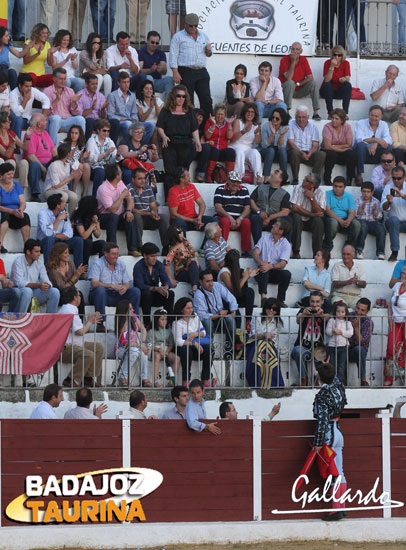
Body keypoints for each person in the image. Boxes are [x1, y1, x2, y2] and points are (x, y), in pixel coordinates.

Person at [313, 363, 348, 522]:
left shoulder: (322, 395)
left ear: (319, 378)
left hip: (329, 435)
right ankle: (342, 507)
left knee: (334, 473)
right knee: (339, 471)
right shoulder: (339, 388)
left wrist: (318, 442)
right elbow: (336, 381)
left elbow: (321, 420)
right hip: (338, 431)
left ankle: (336, 510)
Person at [156, 85, 200, 196]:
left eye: (183, 96)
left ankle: (183, 198)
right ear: (173, 96)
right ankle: (170, 199)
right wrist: (164, 136)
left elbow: (194, 128)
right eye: (178, 96)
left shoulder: (189, 111)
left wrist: (198, 141)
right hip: (169, 143)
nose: (181, 99)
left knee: (183, 172)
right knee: (170, 172)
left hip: (186, 144)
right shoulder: (166, 111)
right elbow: (159, 126)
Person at [88, 242, 141, 332]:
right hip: (100, 295)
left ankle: (134, 322)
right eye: (113, 254)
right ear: (106, 254)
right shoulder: (97, 264)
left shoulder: (121, 263)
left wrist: (124, 288)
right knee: (100, 290)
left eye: (117, 254)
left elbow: (127, 283)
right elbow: (94, 283)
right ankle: (100, 324)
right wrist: (111, 285)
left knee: (135, 291)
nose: (116, 256)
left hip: (116, 294)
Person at [169, 12, 213, 118]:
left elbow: (209, 54)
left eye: (195, 25)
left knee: (206, 99)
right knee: (188, 101)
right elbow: (173, 55)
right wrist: (175, 72)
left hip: (201, 70)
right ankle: (190, 128)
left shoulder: (204, 36)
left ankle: (207, 127)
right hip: (186, 71)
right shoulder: (178, 37)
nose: (193, 27)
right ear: (185, 24)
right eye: (191, 25)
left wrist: (209, 51)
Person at [59, 286, 103, 388]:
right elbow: (80, 332)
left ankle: (88, 378)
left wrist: (89, 322)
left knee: (98, 347)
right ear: (75, 297)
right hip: (66, 348)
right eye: (79, 295)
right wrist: (90, 322)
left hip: (75, 344)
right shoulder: (70, 310)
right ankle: (70, 379)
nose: (80, 298)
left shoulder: (68, 308)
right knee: (88, 354)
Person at [194, 269, 238, 362]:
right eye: (207, 281)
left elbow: (232, 299)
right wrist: (219, 314)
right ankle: (210, 351)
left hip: (220, 317)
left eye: (211, 280)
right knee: (207, 322)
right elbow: (202, 316)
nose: (211, 283)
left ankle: (229, 352)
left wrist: (233, 312)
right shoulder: (198, 294)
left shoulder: (217, 286)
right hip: (209, 319)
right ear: (201, 282)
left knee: (230, 319)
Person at [96, 164, 140, 257]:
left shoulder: (120, 183)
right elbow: (112, 209)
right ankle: (112, 249)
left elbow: (129, 198)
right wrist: (121, 196)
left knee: (130, 217)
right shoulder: (103, 188)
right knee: (113, 217)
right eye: (120, 172)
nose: (122, 173)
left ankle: (132, 249)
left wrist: (128, 211)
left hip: (117, 215)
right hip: (103, 217)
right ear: (117, 176)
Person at [291, 290, 331, 386]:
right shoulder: (304, 310)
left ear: (322, 302)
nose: (314, 304)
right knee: (297, 350)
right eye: (312, 301)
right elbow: (298, 320)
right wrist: (304, 314)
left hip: (318, 348)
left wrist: (320, 315)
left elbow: (328, 317)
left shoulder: (324, 311)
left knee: (330, 350)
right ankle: (303, 379)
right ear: (309, 301)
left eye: (317, 302)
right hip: (303, 347)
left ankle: (318, 380)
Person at [10, 238, 60, 313]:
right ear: (28, 252)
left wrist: (47, 285)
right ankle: (21, 319)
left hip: (34, 292)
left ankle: (51, 320)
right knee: (27, 291)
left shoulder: (39, 262)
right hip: (19, 292)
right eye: (36, 251)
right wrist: (38, 285)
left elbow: (46, 279)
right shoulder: (18, 262)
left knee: (55, 291)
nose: (39, 254)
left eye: (39, 251)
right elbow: (19, 283)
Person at [133, 242, 174, 329]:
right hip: (143, 298)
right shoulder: (138, 266)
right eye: (152, 256)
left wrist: (165, 287)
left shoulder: (158, 265)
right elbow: (140, 285)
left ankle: (168, 323)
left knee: (170, 294)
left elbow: (166, 280)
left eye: (155, 256)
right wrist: (156, 288)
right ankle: (147, 323)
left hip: (155, 296)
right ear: (145, 256)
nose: (154, 258)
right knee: (146, 293)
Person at [246, 297, 284, 388]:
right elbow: (252, 334)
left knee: (270, 353)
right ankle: (258, 381)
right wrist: (264, 335)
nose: (271, 310)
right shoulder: (257, 317)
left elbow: (273, 339)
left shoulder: (278, 322)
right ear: (264, 308)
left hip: (268, 345)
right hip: (254, 343)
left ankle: (271, 383)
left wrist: (266, 337)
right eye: (268, 308)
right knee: (261, 347)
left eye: (274, 309)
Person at [172, 298, 212, 386]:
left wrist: (195, 334)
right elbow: (178, 341)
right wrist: (194, 343)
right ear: (182, 309)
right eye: (188, 308)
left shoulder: (195, 317)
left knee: (209, 348)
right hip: (183, 348)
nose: (191, 310)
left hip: (196, 345)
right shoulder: (177, 323)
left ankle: (205, 378)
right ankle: (186, 380)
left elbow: (204, 332)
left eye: (192, 307)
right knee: (186, 351)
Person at [252, 218, 292, 307]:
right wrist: (260, 262)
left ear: (281, 231)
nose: (273, 225)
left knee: (287, 274)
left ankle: (280, 301)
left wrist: (270, 266)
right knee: (263, 270)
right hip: (261, 269)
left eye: (276, 225)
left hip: (274, 270)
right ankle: (263, 299)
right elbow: (255, 252)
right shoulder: (264, 237)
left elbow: (283, 263)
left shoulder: (286, 244)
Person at [167, 168, 216, 240]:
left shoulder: (191, 186)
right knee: (179, 223)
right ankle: (185, 248)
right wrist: (192, 220)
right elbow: (174, 215)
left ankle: (204, 247)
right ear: (181, 179)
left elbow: (202, 204)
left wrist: (199, 218)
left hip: (194, 219)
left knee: (214, 221)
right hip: (182, 221)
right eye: (187, 176)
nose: (190, 178)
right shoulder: (173, 191)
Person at [107, 70, 153, 146]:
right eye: (124, 82)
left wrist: (134, 118)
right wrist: (122, 119)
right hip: (121, 123)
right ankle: (130, 146)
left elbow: (134, 113)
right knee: (127, 123)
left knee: (151, 125)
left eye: (128, 82)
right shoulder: (112, 96)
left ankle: (141, 145)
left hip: (131, 121)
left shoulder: (132, 96)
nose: (126, 85)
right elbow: (110, 115)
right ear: (118, 83)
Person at [37, 193, 84, 268]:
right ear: (58, 205)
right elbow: (48, 234)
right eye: (63, 202)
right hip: (45, 242)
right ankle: (49, 269)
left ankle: (79, 270)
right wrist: (58, 219)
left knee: (78, 240)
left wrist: (56, 235)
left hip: (60, 240)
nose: (65, 204)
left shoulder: (64, 213)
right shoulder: (43, 214)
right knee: (50, 239)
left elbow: (70, 233)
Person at [43, 68, 86, 146]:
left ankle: (80, 148)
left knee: (81, 119)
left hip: (67, 120)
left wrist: (74, 103)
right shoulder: (47, 91)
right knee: (56, 118)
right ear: (54, 79)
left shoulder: (70, 91)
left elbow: (76, 112)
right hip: (52, 120)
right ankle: (52, 149)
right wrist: (57, 99)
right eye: (60, 79)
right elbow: (46, 112)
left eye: (64, 79)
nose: (63, 81)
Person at [127, 168, 168, 250]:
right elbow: (132, 209)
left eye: (144, 178)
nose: (143, 181)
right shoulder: (128, 188)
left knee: (164, 217)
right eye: (139, 179)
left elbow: (153, 205)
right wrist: (150, 213)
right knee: (137, 216)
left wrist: (154, 213)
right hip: (137, 218)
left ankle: (166, 247)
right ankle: (139, 246)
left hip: (148, 217)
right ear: (133, 179)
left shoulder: (148, 188)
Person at [278, 41, 320, 120]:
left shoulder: (303, 59)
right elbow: (288, 78)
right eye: (293, 49)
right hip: (286, 90)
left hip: (299, 89)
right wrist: (293, 62)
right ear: (290, 50)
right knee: (290, 82)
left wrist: (299, 84)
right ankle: (287, 112)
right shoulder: (284, 59)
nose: (295, 51)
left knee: (313, 83)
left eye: (297, 49)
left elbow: (310, 77)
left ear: (301, 51)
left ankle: (316, 113)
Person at [214, 171, 251, 257]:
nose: (235, 184)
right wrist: (229, 217)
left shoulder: (244, 190)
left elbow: (247, 208)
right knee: (225, 221)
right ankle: (222, 248)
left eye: (237, 182)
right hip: (224, 218)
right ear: (228, 180)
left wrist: (240, 218)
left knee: (246, 222)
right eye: (233, 181)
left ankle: (246, 251)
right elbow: (218, 207)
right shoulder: (220, 189)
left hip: (239, 220)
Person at [249, 168, 291, 245]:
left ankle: (284, 247)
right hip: (259, 218)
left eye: (276, 173)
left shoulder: (285, 194)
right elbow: (251, 200)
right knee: (255, 218)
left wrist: (270, 217)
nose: (272, 174)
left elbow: (286, 211)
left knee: (287, 220)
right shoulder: (261, 187)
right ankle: (258, 247)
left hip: (274, 222)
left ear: (280, 179)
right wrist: (259, 211)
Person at [218, 249, 257, 330]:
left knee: (249, 291)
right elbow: (233, 291)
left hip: (234, 297)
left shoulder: (234, 270)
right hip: (225, 299)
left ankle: (248, 320)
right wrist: (246, 276)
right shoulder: (224, 273)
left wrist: (246, 275)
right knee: (237, 316)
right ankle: (237, 336)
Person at [287, 105, 326, 185]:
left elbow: (315, 145)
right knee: (294, 152)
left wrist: (310, 152)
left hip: (309, 152)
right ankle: (295, 179)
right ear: (295, 116)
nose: (301, 119)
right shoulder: (290, 125)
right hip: (297, 152)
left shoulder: (313, 127)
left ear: (308, 117)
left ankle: (313, 179)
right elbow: (291, 142)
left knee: (322, 154)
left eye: (303, 117)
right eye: (299, 117)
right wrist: (302, 153)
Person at [353, 105, 392, 186]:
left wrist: (376, 143)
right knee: (361, 145)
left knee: (388, 147)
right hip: (362, 154)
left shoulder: (384, 124)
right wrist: (376, 140)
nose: (374, 118)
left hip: (375, 154)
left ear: (381, 117)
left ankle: (383, 172)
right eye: (372, 115)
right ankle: (359, 174)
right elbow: (359, 139)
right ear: (368, 114)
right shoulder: (361, 123)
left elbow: (389, 140)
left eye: (376, 116)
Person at [115, 300, 150, 387]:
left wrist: (142, 342)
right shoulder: (121, 324)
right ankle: (123, 376)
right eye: (130, 309)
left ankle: (144, 377)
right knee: (134, 351)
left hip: (135, 346)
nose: (133, 310)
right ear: (124, 311)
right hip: (121, 349)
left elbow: (143, 330)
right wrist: (140, 345)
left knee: (143, 352)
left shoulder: (133, 317)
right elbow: (126, 343)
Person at [291, 173, 326, 259]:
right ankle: (296, 251)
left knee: (318, 221)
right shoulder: (298, 188)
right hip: (300, 218)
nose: (303, 180)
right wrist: (312, 214)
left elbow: (320, 212)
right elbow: (295, 208)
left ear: (312, 185)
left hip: (312, 221)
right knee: (296, 217)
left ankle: (317, 253)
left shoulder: (321, 192)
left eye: (306, 180)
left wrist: (311, 198)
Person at [46, 241, 86, 316]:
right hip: (59, 294)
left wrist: (78, 274)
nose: (68, 255)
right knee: (74, 296)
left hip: (70, 290)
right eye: (65, 253)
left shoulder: (70, 263)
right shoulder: (53, 269)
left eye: (68, 252)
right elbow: (62, 288)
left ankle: (81, 321)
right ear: (58, 255)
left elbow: (74, 281)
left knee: (79, 294)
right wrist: (75, 275)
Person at [24, 112, 57, 202]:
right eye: (45, 121)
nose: (46, 122)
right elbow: (30, 156)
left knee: (64, 165)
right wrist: (43, 169)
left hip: (48, 163)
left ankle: (62, 192)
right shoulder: (30, 134)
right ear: (39, 124)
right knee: (34, 165)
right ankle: (35, 195)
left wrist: (59, 161)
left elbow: (53, 150)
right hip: (38, 164)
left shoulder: (45, 133)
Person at [323, 176, 361, 252]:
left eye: (340, 187)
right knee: (333, 223)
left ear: (344, 187)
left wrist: (348, 220)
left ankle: (349, 246)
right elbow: (327, 210)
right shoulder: (327, 194)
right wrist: (340, 221)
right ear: (332, 186)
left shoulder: (349, 196)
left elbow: (352, 212)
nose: (337, 189)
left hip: (345, 219)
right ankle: (327, 246)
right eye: (335, 186)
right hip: (331, 218)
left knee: (356, 224)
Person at [321, 108, 356, 186]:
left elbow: (349, 144)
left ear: (342, 120)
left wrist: (334, 146)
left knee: (351, 154)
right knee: (331, 154)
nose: (333, 120)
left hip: (337, 152)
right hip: (329, 151)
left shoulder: (347, 127)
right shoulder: (327, 126)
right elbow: (327, 145)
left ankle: (349, 178)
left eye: (336, 119)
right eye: (333, 118)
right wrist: (342, 150)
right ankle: (327, 178)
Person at [43, 143, 81, 216]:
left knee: (74, 197)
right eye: (71, 151)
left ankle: (70, 217)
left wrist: (74, 175)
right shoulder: (54, 165)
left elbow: (66, 181)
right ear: (68, 154)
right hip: (50, 190)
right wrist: (70, 177)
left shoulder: (67, 164)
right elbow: (56, 185)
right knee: (64, 196)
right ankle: (60, 216)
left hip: (62, 189)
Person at [0, 162, 30, 253]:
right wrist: (11, 211)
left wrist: (21, 209)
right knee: (5, 216)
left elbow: (22, 202)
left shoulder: (16, 185)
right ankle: (0, 244)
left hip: (16, 213)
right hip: (4, 212)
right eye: (8, 174)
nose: (11, 176)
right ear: (1, 175)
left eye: (12, 173)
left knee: (25, 216)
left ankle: (27, 246)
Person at [229, 102, 263, 183]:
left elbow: (257, 142)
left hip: (248, 148)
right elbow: (233, 139)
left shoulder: (256, 125)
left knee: (255, 152)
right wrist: (244, 131)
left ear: (255, 114)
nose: (249, 114)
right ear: (244, 112)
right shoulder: (238, 122)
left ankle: (258, 176)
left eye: (252, 112)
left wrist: (257, 133)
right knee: (240, 152)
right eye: (247, 111)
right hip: (235, 146)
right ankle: (238, 177)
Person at [9, 73, 50, 138]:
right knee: (18, 119)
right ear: (20, 86)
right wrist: (25, 100)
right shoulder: (12, 94)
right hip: (17, 121)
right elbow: (16, 114)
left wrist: (43, 116)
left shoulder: (32, 90)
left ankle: (44, 146)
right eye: (26, 86)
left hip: (29, 119)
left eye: (30, 86)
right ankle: (17, 147)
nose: (29, 88)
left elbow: (46, 99)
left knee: (43, 122)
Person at [117, 122, 159, 186]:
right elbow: (123, 154)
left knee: (150, 173)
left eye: (141, 132)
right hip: (127, 167)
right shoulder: (125, 141)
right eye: (137, 132)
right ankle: (133, 193)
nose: (139, 134)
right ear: (131, 133)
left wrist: (155, 153)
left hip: (141, 167)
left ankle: (149, 194)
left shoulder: (144, 143)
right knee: (130, 173)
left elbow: (153, 159)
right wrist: (138, 152)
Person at [203, 103, 236, 182]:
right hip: (211, 150)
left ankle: (228, 177)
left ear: (225, 115)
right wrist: (213, 125)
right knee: (214, 151)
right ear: (215, 114)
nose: (220, 116)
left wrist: (230, 125)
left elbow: (229, 137)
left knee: (231, 152)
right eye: (218, 114)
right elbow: (207, 136)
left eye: (222, 114)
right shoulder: (209, 122)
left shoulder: (227, 124)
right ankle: (208, 177)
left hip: (221, 150)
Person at [165, 225, 200, 295]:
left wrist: (195, 258)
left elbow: (194, 252)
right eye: (180, 232)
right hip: (181, 273)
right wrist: (170, 279)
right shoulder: (173, 249)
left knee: (199, 270)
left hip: (192, 269)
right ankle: (195, 288)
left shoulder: (185, 241)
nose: (182, 233)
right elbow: (166, 263)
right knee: (194, 266)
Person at [148, 309, 180, 388]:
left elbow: (171, 344)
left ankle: (171, 381)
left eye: (166, 319)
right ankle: (155, 381)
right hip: (155, 350)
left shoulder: (168, 330)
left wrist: (167, 351)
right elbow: (150, 345)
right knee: (157, 356)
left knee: (177, 358)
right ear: (156, 320)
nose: (165, 321)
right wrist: (159, 350)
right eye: (162, 319)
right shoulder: (151, 331)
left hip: (166, 350)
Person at [354, 181, 386, 260]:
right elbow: (355, 215)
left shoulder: (376, 201)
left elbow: (380, 217)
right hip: (362, 221)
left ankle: (380, 252)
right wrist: (361, 208)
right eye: (364, 191)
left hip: (373, 222)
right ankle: (359, 250)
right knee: (363, 226)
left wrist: (375, 211)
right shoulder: (358, 201)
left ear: (372, 192)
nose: (366, 194)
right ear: (361, 191)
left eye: (368, 192)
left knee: (381, 228)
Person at [386, 265, 406, 386]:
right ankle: (389, 378)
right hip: (395, 322)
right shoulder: (397, 285)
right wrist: (389, 317)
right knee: (390, 349)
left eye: (405, 273)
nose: (402, 275)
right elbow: (390, 303)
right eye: (403, 272)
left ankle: (403, 379)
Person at [86, 119, 117, 198]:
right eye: (104, 130)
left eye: (108, 131)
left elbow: (113, 159)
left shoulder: (109, 141)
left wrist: (118, 155)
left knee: (117, 170)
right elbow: (91, 159)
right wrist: (106, 153)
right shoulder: (91, 141)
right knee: (100, 171)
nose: (106, 133)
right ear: (98, 130)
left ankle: (114, 198)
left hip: (106, 167)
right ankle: (95, 199)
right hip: (93, 168)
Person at [72, 196, 106, 266]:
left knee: (102, 243)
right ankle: (84, 268)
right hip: (79, 245)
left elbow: (98, 235)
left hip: (89, 245)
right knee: (87, 242)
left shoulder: (95, 215)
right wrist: (93, 224)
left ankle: (103, 267)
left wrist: (95, 224)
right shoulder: (78, 216)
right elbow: (84, 236)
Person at [138, 31, 173, 98]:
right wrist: (150, 70)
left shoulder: (161, 53)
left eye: (157, 43)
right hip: (145, 82)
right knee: (149, 78)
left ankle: (168, 106)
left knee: (169, 80)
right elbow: (139, 70)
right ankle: (148, 103)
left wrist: (161, 69)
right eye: (152, 42)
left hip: (157, 82)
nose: (154, 45)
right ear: (147, 41)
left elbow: (164, 71)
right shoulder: (141, 52)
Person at [382, 165, 406, 262]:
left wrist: (402, 195)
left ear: (404, 177)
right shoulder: (388, 188)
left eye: (399, 178)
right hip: (393, 222)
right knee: (393, 220)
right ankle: (395, 252)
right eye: (394, 178)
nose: (396, 180)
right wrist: (388, 202)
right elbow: (383, 208)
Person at [319, 45, 352, 117]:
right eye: (335, 55)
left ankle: (345, 113)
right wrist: (332, 66)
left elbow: (347, 78)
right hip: (326, 91)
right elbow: (327, 79)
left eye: (339, 55)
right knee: (328, 85)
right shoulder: (327, 63)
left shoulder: (346, 63)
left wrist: (344, 79)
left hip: (338, 91)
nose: (336, 57)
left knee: (348, 85)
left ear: (342, 56)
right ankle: (330, 113)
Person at [330, 244, 366, 309]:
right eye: (343, 254)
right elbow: (334, 284)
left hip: (355, 297)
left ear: (353, 255)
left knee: (364, 308)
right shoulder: (337, 266)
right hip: (339, 295)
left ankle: (356, 320)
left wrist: (356, 282)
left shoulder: (359, 267)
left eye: (348, 254)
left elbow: (364, 284)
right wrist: (348, 282)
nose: (345, 256)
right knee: (339, 308)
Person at [0, 111, 29, 190]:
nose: (10, 122)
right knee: (11, 162)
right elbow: (7, 155)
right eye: (8, 121)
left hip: (13, 167)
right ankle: (10, 189)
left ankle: (21, 191)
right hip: (2, 169)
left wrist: (28, 136)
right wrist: (12, 144)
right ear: (2, 123)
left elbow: (24, 147)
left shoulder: (11, 133)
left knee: (24, 163)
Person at [326, 302, 353, 384]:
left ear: (345, 312)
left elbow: (350, 333)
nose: (340, 313)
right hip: (332, 346)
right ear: (335, 311)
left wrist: (341, 332)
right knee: (332, 364)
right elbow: (327, 332)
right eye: (338, 311)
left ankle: (340, 382)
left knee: (341, 365)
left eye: (342, 312)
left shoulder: (347, 323)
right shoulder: (332, 321)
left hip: (343, 346)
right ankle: (333, 381)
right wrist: (333, 331)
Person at [348, 297, 373, 387]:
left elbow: (361, 342)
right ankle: (338, 380)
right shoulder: (348, 316)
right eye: (358, 308)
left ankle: (363, 380)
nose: (358, 312)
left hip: (357, 351)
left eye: (362, 310)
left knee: (359, 349)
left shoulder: (368, 322)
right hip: (344, 348)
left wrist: (355, 327)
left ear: (366, 312)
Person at [19, 23, 54, 88]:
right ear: (37, 33)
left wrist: (51, 54)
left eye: (46, 33)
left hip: (40, 76)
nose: (45, 35)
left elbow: (50, 63)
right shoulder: (28, 43)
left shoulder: (47, 44)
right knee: (33, 77)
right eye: (43, 33)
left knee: (54, 78)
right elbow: (25, 61)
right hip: (27, 74)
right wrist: (37, 54)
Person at [77, 73, 109, 143]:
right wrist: (91, 108)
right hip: (86, 121)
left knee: (114, 122)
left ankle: (112, 147)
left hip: (98, 121)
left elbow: (103, 116)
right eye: (93, 84)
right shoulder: (80, 95)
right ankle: (85, 146)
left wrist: (103, 109)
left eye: (96, 84)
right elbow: (80, 115)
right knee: (90, 121)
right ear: (86, 84)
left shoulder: (100, 96)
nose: (95, 86)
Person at [79, 32, 112, 96]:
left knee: (107, 77)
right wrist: (94, 53)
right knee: (98, 76)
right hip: (86, 76)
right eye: (95, 43)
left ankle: (106, 100)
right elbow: (93, 67)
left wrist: (95, 69)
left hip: (98, 73)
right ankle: (93, 97)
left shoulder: (103, 53)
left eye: (99, 43)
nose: (97, 45)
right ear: (90, 43)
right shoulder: (83, 53)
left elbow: (104, 69)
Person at [260, 107, 289, 178]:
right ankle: (266, 178)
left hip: (278, 152)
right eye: (273, 117)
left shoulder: (285, 128)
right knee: (271, 150)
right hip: (266, 152)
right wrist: (273, 134)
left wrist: (281, 135)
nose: (274, 120)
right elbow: (264, 145)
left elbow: (282, 146)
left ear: (282, 119)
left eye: (277, 118)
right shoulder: (266, 126)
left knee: (282, 150)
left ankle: (283, 177)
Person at [0, 26, 31, 91]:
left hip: (5, 69)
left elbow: (19, 55)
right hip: (1, 71)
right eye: (6, 36)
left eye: (8, 36)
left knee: (12, 72)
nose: (8, 38)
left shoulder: (8, 45)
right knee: (4, 71)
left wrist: (28, 47)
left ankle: (15, 95)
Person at [63, 125, 91, 196]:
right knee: (80, 166)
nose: (73, 135)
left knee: (86, 166)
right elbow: (61, 158)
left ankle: (85, 192)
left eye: (76, 133)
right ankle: (74, 190)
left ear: (79, 135)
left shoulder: (81, 145)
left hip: (76, 164)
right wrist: (69, 156)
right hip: (66, 163)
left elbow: (80, 160)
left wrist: (83, 157)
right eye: (72, 133)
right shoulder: (64, 143)